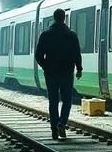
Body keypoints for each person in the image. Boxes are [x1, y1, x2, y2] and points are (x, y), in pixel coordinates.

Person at [35, 8, 83, 139]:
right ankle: (62, 123)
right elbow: (76, 54)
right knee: (67, 100)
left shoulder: (46, 35)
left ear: (54, 18)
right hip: (67, 73)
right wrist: (79, 69)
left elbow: (38, 55)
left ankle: (54, 130)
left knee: (53, 101)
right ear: (64, 18)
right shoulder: (71, 35)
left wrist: (45, 66)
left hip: (51, 73)